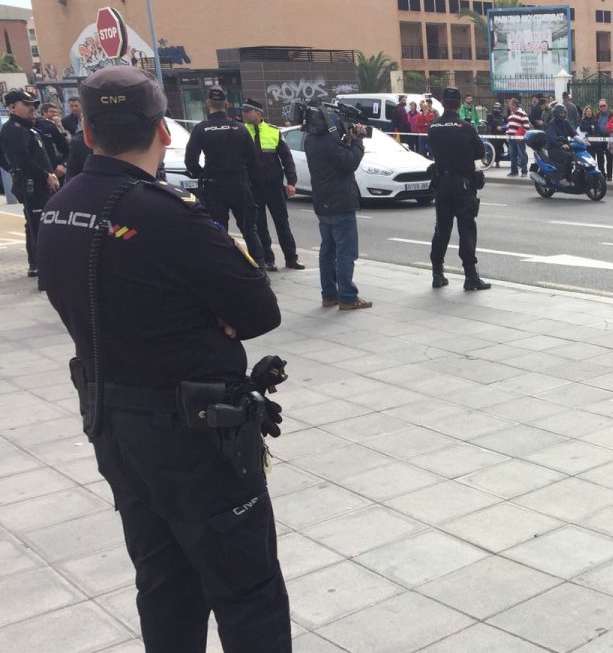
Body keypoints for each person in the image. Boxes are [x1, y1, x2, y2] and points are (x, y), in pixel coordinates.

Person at [37, 65, 290, 653]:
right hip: (195, 437)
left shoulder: (58, 208)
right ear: (165, 132)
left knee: (164, 583)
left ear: (88, 131)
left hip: (115, 428)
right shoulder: (166, 214)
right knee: (247, 590)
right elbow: (258, 310)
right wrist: (211, 309)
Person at [183, 87, 267, 269]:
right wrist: (252, 184)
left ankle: (225, 269)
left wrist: (203, 176)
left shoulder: (201, 129)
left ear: (207, 104)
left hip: (214, 188)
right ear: (227, 104)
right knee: (249, 231)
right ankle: (260, 268)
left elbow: (190, 161)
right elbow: (254, 162)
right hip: (239, 185)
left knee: (218, 231)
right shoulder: (240, 128)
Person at [305, 100, 372, 310]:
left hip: (322, 200)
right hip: (340, 201)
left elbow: (338, 156)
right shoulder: (328, 141)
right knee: (345, 251)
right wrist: (359, 142)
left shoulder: (311, 139)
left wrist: (348, 139)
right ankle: (347, 296)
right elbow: (349, 162)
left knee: (328, 250)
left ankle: (329, 294)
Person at [428, 86, 489, 291]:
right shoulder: (466, 127)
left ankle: (437, 273)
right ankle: (470, 276)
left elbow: (432, 149)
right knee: (466, 229)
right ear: (459, 103)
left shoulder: (433, 126)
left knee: (442, 229)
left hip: (442, 183)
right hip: (463, 184)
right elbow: (480, 151)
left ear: (443, 103)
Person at [0, 88, 59, 281]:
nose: (32, 109)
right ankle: (39, 264)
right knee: (37, 224)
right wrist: (43, 174)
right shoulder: (14, 130)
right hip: (32, 184)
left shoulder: (27, 128)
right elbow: (22, 160)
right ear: (12, 107)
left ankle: (39, 261)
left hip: (39, 182)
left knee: (38, 222)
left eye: (33, 105)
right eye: (26, 105)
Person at [242, 99, 303, 272]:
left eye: (248, 111)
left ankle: (291, 258)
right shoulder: (241, 131)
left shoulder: (274, 132)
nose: (244, 113)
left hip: (274, 186)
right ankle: (268, 259)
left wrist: (291, 182)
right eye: (244, 110)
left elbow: (286, 158)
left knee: (282, 223)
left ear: (258, 114)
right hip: (252, 187)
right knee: (260, 225)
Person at [35, 103, 72, 178]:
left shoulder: (58, 124)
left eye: (56, 112)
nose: (54, 114)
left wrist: (59, 125)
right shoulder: (39, 125)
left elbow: (67, 140)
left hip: (58, 166)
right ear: (44, 112)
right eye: (51, 112)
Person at [544, 103, 576, 182]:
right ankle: (563, 178)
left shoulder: (565, 122)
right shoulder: (552, 123)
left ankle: (571, 177)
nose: (563, 114)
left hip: (564, 147)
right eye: (561, 113)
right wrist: (561, 144)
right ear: (556, 113)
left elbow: (573, 132)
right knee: (568, 157)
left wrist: (582, 140)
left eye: (564, 113)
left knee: (576, 155)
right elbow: (553, 137)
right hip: (553, 149)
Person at [505, 97, 531, 177]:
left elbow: (526, 126)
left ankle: (524, 171)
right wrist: (507, 132)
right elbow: (510, 125)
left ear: (514, 105)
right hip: (511, 137)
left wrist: (519, 134)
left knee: (521, 154)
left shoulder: (522, 113)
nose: (509, 107)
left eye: (510, 105)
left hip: (519, 138)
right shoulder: (511, 114)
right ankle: (514, 171)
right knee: (512, 155)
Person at [594, 99, 612, 180]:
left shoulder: (611, 115)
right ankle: (602, 174)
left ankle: (609, 175)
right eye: (601, 106)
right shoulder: (597, 115)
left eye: (604, 105)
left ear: (607, 105)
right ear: (599, 107)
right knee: (600, 158)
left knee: (609, 157)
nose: (603, 107)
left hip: (608, 138)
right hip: (599, 138)